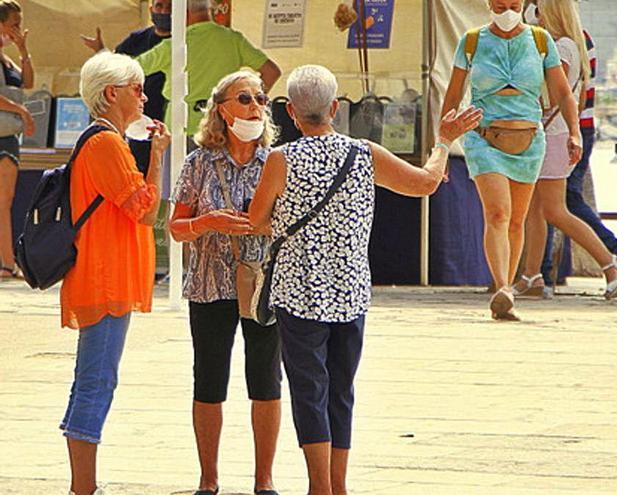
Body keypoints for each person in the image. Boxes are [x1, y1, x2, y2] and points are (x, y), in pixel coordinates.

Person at [248, 64, 481, 495]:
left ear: (290, 112)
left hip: (298, 295)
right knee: (342, 390)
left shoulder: (280, 161)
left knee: (308, 389)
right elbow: (427, 183)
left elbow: (257, 219)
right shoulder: (364, 154)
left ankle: (318, 486)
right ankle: (339, 485)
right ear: (335, 108)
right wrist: (444, 140)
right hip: (350, 294)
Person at [60, 51, 170, 495]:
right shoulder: (106, 142)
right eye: (137, 88)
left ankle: (83, 485)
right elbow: (145, 211)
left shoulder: (107, 140)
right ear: (111, 93)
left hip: (105, 276)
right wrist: (157, 156)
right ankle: (82, 488)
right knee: (96, 380)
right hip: (104, 279)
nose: (144, 97)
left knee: (95, 377)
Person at [168, 70, 282, 495]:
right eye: (245, 98)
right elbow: (176, 227)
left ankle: (264, 479)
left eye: (260, 99)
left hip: (262, 283)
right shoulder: (198, 162)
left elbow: (289, 223)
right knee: (209, 380)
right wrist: (208, 222)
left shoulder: (276, 159)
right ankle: (208, 479)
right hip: (209, 284)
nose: (255, 106)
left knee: (266, 380)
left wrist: (258, 225)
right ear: (221, 109)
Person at [441, 0, 582, 320]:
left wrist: (575, 132)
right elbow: (453, 94)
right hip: (483, 138)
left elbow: (563, 93)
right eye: (500, 5)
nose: (506, 11)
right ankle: (503, 287)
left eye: (513, 5)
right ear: (490, 4)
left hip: (530, 141)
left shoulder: (540, 40)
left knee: (518, 220)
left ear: (523, 6)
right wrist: (443, 141)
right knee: (498, 213)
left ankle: (507, 291)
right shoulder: (473, 40)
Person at [514, 0, 617, 299]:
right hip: (547, 135)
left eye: (540, 9)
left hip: (551, 136)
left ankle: (611, 265)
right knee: (535, 210)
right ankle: (532, 276)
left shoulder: (561, 48)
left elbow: (550, 91)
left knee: (556, 210)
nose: (536, 13)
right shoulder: (570, 44)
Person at [137, 0, 282, 141]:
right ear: (211, 10)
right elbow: (272, 72)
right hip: (223, 124)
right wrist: (248, 101)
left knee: (178, 166)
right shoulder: (233, 40)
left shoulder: (174, 45)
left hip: (181, 128)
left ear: (183, 13)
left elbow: (130, 69)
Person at [80, 0, 172, 173]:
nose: (164, 12)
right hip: (135, 122)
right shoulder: (137, 40)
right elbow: (112, 66)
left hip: (165, 120)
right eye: (160, 6)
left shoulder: (181, 43)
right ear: (151, 9)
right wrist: (102, 51)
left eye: (170, 8)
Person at [0, 0, 33, 280]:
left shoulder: (6, 59)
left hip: (8, 136)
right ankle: (6, 263)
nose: (17, 30)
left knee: (4, 202)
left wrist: (23, 51)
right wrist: (22, 110)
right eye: (13, 25)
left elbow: (28, 82)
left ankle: (7, 263)